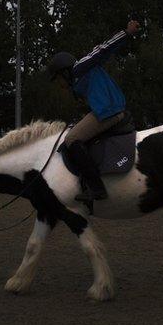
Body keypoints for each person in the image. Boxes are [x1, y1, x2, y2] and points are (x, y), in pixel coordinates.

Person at [47, 19, 140, 202]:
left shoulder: (80, 68)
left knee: (72, 139)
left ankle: (97, 188)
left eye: (58, 79)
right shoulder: (78, 84)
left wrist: (126, 33)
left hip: (109, 110)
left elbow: (103, 49)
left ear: (64, 72)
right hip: (106, 110)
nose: (59, 84)